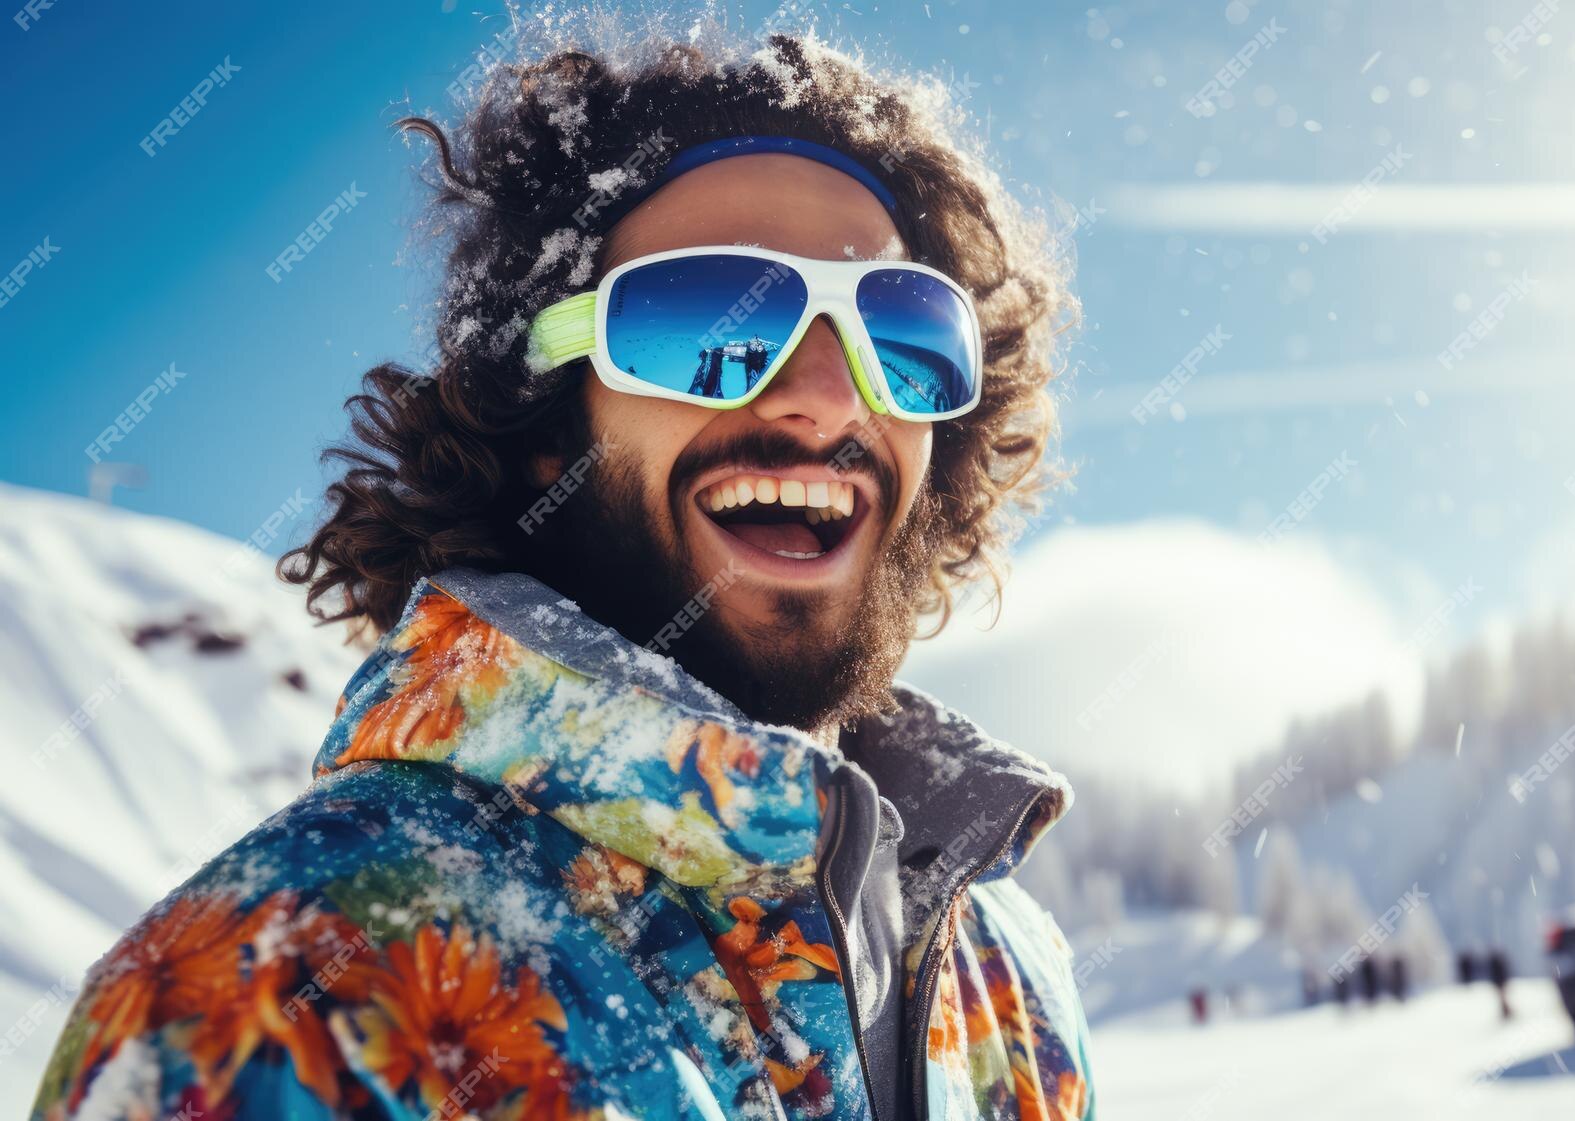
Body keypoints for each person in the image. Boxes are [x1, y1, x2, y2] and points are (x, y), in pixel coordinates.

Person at [33, 26, 1087, 1121]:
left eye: (900, 334)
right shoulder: (273, 996)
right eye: (711, 323)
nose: (827, 396)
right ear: (540, 417)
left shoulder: (1003, 971)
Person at [1489, 947, 1514, 1021]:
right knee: (1503, 998)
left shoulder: (1494, 964)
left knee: (1502, 998)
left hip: (1499, 983)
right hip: (1500, 982)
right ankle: (1506, 1012)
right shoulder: (1499, 963)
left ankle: (1506, 1012)